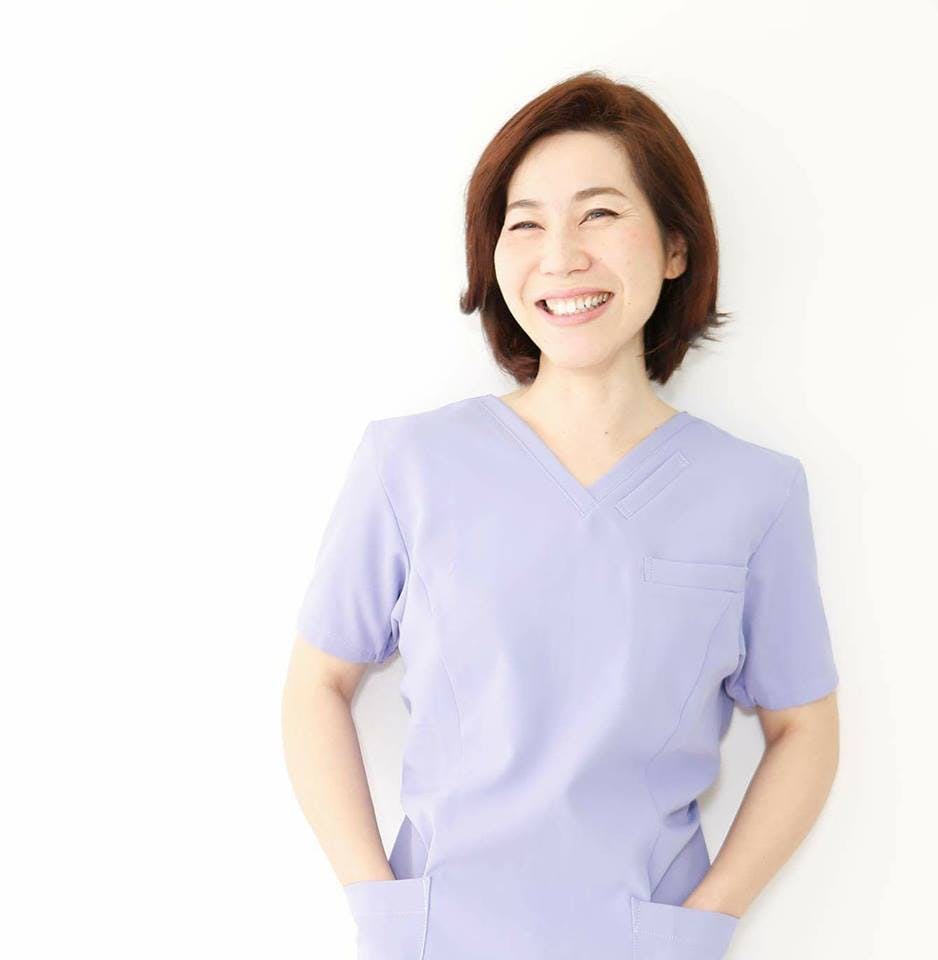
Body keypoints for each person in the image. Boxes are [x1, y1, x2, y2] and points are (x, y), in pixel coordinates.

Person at [281, 70, 840, 960]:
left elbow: (803, 727)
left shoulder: (754, 492)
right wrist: (377, 905)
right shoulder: (408, 464)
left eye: (599, 214)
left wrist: (702, 924)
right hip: (436, 938)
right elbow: (316, 683)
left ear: (675, 248)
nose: (560, 255)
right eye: (525, 223)